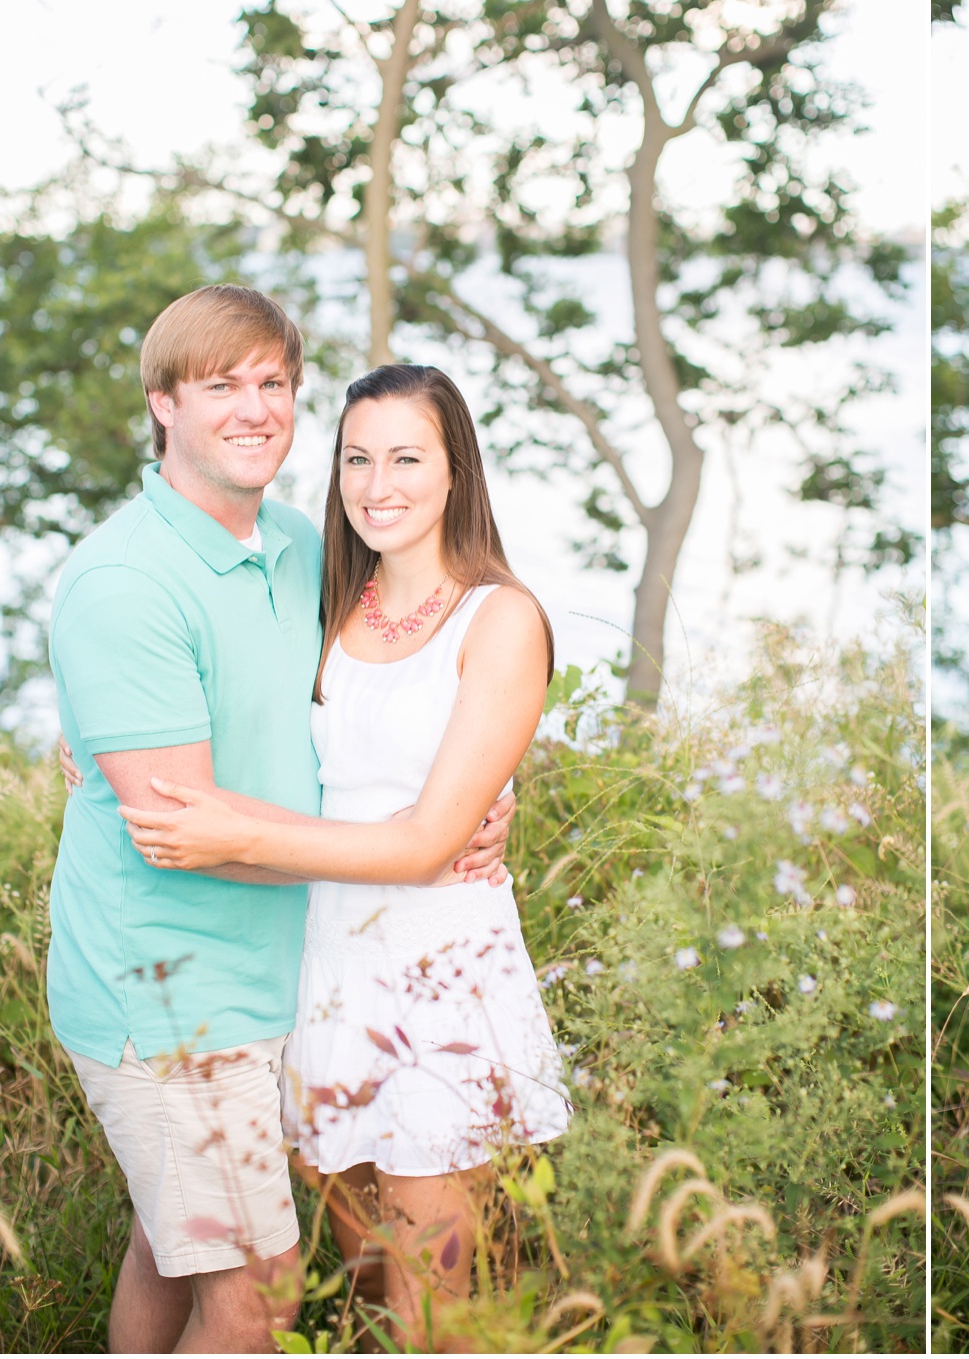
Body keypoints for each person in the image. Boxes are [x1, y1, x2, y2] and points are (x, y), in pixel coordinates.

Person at [47, 286, 512, 1354]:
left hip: (276, 969)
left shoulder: (302, 545)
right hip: (169, 991)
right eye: (221, 386)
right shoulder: (124, 580)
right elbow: (182, 827)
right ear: (163, 403)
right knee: (256, 1290)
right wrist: (414, 851)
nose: (254, 409)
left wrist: (479, 789)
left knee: (176, 1253)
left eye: (273, 384)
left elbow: (393, 692)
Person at [121, 363, 573, 1352]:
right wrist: (100, 739)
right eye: (357, 458)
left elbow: (424, 840)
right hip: (326, 973)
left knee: (433, 1311)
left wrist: (237, 835)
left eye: (407, 456)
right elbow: (197, 687)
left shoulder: (499, 617)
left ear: (457, 469)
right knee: (367, 1280)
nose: (378, 483)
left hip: (438, 975)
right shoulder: (327, 598)